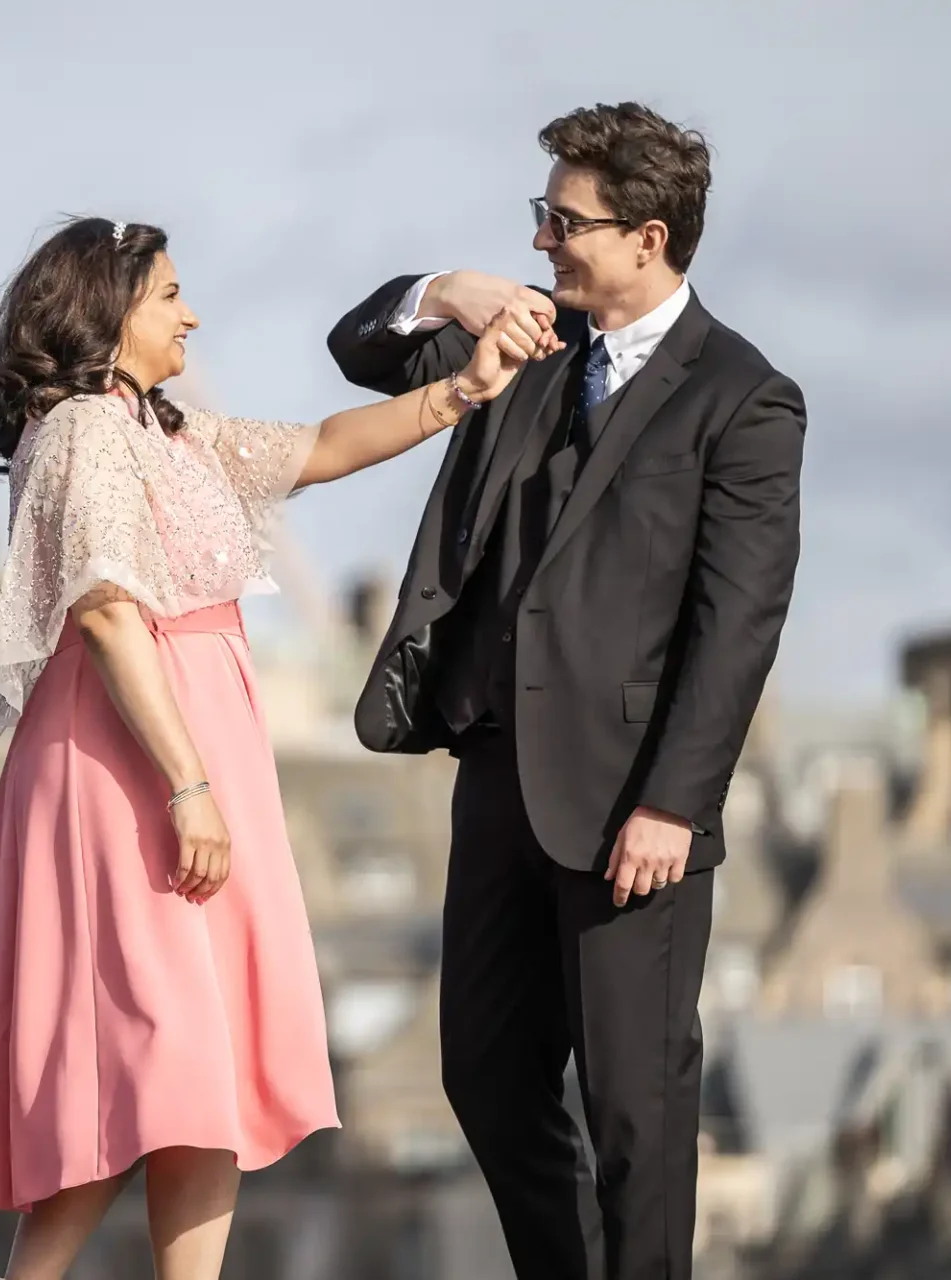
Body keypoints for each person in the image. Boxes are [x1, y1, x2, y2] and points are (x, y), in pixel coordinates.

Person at [0, 215, 545, 1280]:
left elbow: (318, 449)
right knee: (163, 1055)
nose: (191, 313)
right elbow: (101, 607)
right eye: (169, 294)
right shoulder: (88, 428)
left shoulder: (166, 430)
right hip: (132, 756)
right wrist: (187, 782)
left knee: (204, 1069)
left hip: (194, 744)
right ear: (108, 313)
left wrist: (467, 388)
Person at [327, 103, 807, 1280]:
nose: (543, 240)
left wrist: (675, 802)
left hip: (631, 805)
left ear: (648, 238)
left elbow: (737, 620)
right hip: (495, 772)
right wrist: (450, 289)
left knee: (637, 1111)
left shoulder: (744, 399)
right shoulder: (526, 343)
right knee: (485, 1073)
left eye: (564, 221)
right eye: (539, 215)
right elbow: (360, 348)